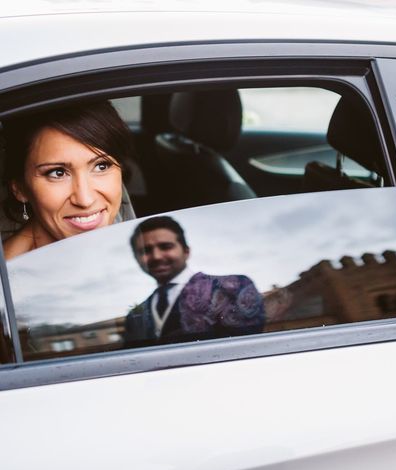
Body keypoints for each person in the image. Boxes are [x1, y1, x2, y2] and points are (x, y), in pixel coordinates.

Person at [1, 101, 133, 260]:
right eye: (57, 173)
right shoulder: (8, 278)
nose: (85, 200)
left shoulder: (139, 247)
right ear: (20, 188)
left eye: (101, 166)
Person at [124, 216, 265, 345]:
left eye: (165, 246)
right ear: (136, 258)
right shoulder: (134, 315)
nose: (156, 256)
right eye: (145, 251)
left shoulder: (233, 287)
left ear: (186, 251)